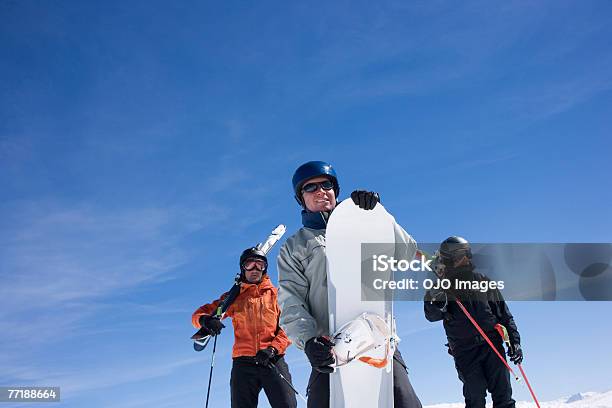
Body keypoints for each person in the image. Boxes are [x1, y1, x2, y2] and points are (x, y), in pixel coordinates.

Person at [277, 160, 422, 408]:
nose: (320, 191)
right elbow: (291, 302)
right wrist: (309, 341)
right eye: (310, 188)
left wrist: (378, 215)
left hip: (377, 341)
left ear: (335, 190)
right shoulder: (294, 247)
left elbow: (406, 253)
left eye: (326, 185)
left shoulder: (362, 224)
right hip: (329, 348)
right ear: (300, 198)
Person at [424, 236, 523, 408]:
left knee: (504, 397)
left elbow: (504, 315)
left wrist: (515, 342)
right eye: (463, 254)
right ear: (450, 258)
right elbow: (431, 315)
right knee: (475, 398)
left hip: (492, 344)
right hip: (465, 351)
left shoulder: (483, 281)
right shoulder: (440, 287)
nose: (468, 257)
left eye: (468, 253)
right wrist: (438, 303)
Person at [192, 247, 297, 408]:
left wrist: (273, 349)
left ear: (265, 268)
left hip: (272, 359)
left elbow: (288, 327)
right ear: (243, 268)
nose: (255, 269)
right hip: (243, 365)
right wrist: (206, 321)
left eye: (260, 265)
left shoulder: (276, 295)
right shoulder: (233, 297)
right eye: (250, 264)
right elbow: (198, 315)